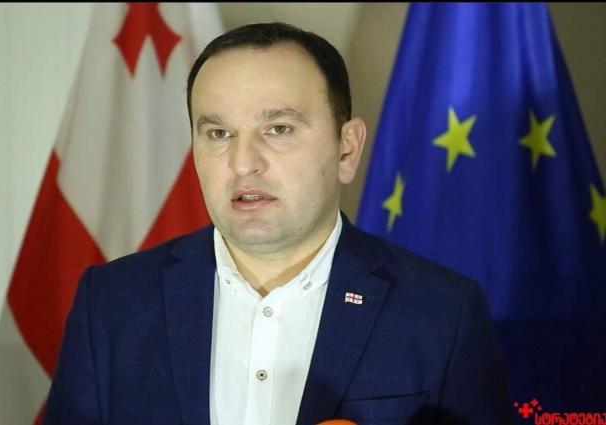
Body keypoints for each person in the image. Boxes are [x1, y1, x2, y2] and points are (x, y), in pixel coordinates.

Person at [44, 22, 515, 425]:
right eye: (218, 133)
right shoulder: (111, 304)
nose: (242, 162)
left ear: (347, 149)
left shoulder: (443, 313)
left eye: (278, 129)